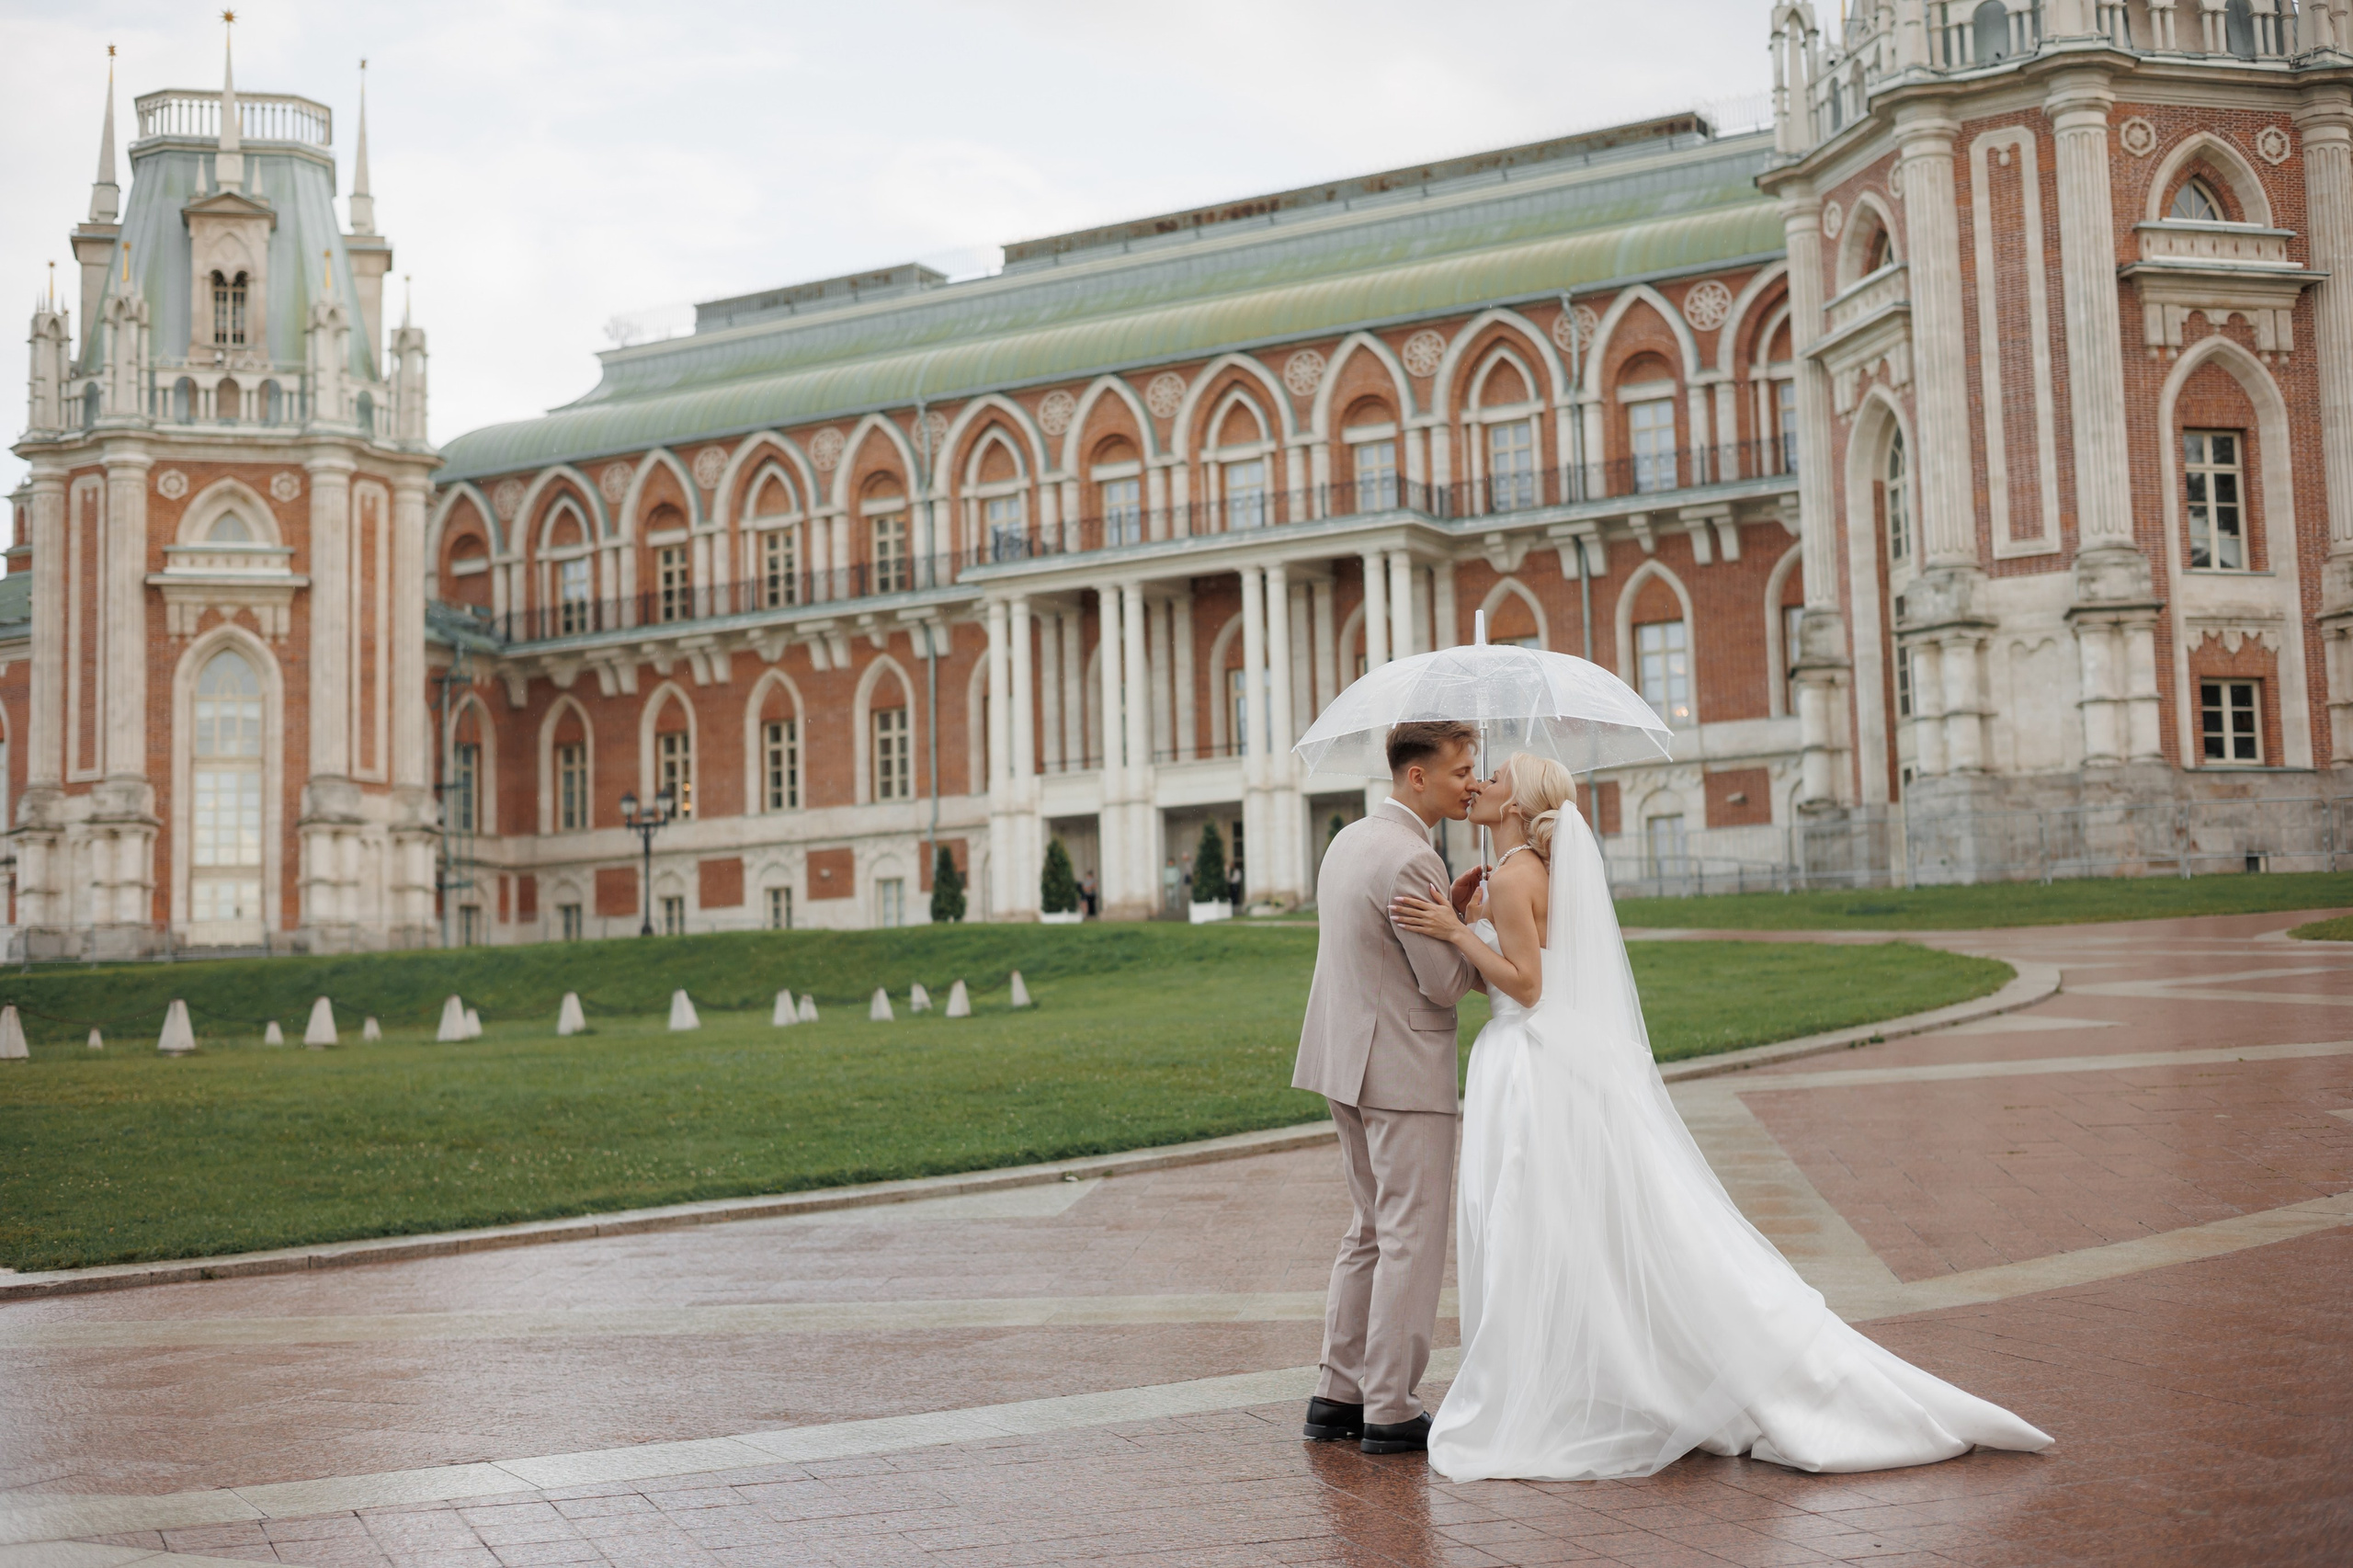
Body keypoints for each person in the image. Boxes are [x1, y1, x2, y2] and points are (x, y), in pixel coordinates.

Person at [1390, 755, 2053, 1481]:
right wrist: (1476, 913)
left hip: (1529, 1062)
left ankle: (1562, 1378)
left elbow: (1528, 984)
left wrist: (1456, 932)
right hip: (1547, 1062)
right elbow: (1538, 948)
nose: (1479, 784)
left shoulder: (1515, 875)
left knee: (1537, 1222)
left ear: (1519, 805)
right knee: (1574, 1224)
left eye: (1495, 777)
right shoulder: (1523, 873)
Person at [1291, 720, 1483, 1456]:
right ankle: (1392, 1408)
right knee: (1409, 1234)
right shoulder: (1413, 859)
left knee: (1369, 1228)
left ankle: (1336, 1394)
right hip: (1400, 1067)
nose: (1471, 781)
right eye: (1462, 770)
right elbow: (1439, 985)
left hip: (1344, 1058)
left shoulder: (1350, 839)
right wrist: (1469, 933)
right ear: (1417, 778)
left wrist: (1450, 913)